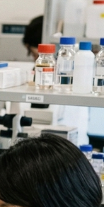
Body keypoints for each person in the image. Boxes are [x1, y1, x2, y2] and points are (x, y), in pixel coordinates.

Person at [20, 15, 90, 144]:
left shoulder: (69, 79)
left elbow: (73, 132)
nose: (35, 60)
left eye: (35, 54)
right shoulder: (30, 74)